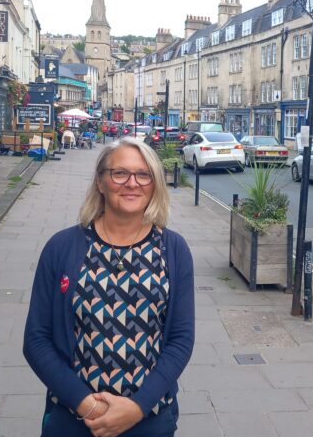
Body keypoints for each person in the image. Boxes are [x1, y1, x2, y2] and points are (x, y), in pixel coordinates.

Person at [24, 138, 195, 436]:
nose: (132, 183)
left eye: (143, 175)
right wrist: (87, 406)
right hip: (74, 419)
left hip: (149, 420)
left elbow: (180, 340)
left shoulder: (173, 250)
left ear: (154, 184)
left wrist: (136, 407)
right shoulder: (62, 247)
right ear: (100, 182)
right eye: (120, 173)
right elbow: (36, 340)